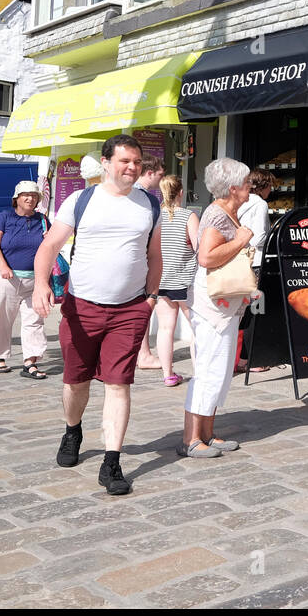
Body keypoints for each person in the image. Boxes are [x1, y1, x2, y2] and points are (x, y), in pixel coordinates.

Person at [33, 134, 162, 496]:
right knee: (76, 381)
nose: (132, 168)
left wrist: (150, 298)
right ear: (106, 162)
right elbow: (49, 246)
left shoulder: (149, 205)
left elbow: (156, 257)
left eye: (137, 162)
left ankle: (112, 462)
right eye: (125, 161)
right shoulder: (82, 200)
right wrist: (42, 284)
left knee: (119, 384)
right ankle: (73, 430)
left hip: (129, 309)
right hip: (82, 308)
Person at [180, 158, 253, 458]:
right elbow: (206, 258)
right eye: (247, 182)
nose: (251, 186)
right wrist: (241, 241)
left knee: (220, 370)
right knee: (208, 368)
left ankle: (207, 434)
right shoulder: (215, 215)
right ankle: (190, 439)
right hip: (213, 306)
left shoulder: (228, 212)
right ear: (233, 188)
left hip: (225, 306)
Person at [0, 180, 49, 379]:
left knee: (35, 320)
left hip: (34, 280)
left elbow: (51, 247)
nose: (30, 199)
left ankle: (30, 362)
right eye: (26, 195)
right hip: (6, 279)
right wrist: (4, 267)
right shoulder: (3, 217)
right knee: (1, 319)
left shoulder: (43, 220)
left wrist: (49, 238)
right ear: (17, 199)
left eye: (34, 195)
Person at [155, 174, 200, 387]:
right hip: (186, 279)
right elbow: (199, 247)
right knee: (197, 328)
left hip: (162, 280)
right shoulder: (188, 216)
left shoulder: (156, 217)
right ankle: (199, 373)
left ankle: (168, 374)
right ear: (181, 192)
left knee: (165, 328)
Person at [235, 167, 275, 372]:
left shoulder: (240, 201)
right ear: (264, 186)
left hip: (238, 260)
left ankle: (237, 357)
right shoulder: (260, 204)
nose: (271, 190)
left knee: (239, 309)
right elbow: (259, 237)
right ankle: (248, 359)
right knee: (254, 310)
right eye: (270, 185)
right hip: (256, 262)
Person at [135, 153, 166, 370]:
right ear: (149, 173)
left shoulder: (132, 195)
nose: (161, 180)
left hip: (136, 261)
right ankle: (143, 354)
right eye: (160, 175)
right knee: (142, 306)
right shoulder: (145, 199)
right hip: (141, 262)